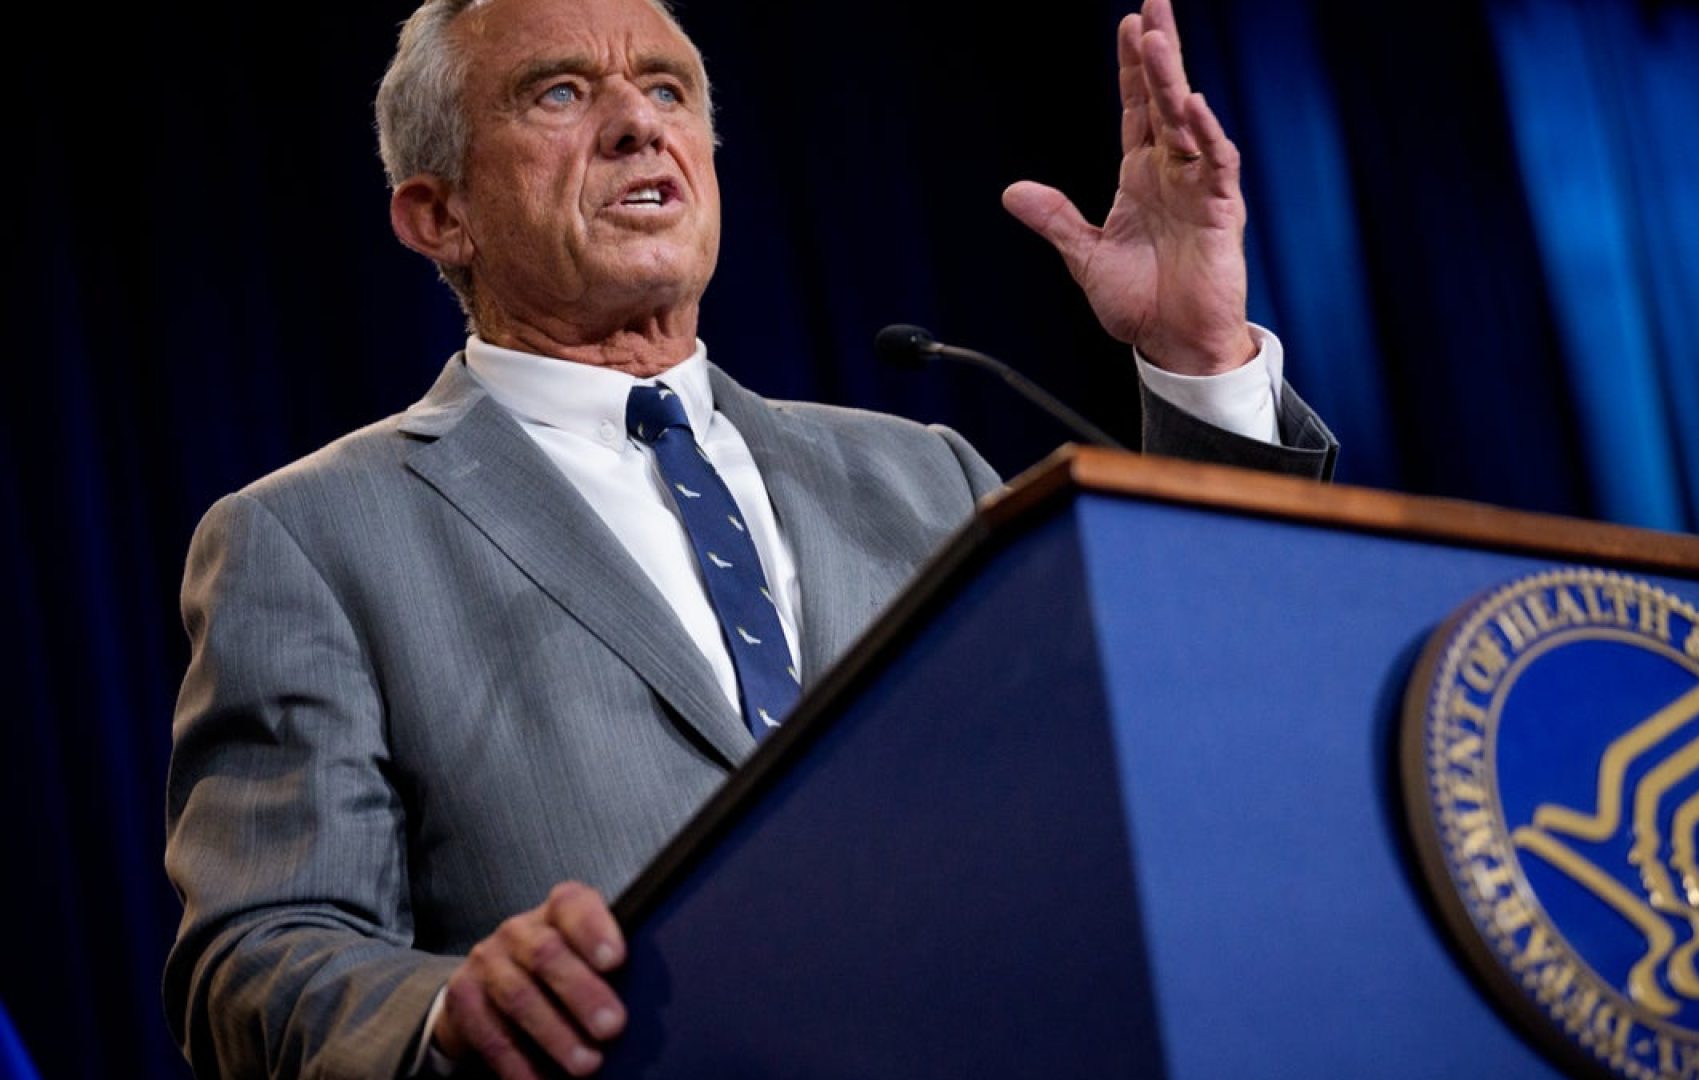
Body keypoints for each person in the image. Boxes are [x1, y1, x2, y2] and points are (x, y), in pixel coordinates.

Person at [162, 0, 1336, 1076]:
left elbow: (1200, 729)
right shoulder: (308, 538)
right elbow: (260, 959)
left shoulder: (922, 475)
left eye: (668, 90)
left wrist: (1198, 363)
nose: (636, 124)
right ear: (438, 213)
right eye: (561, 94)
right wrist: (446, 1008)